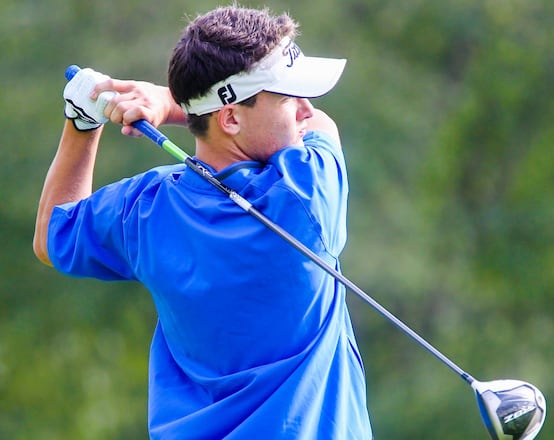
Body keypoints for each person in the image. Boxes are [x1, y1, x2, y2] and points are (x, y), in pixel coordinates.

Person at [33, 5, 372, 439]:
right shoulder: (308, 193)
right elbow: (323, 125)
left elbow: (50, 236)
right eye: (287, 97)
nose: (305, 110)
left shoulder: (145, 208)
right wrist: (169, 102)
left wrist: (82, 122)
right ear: (229, 118)